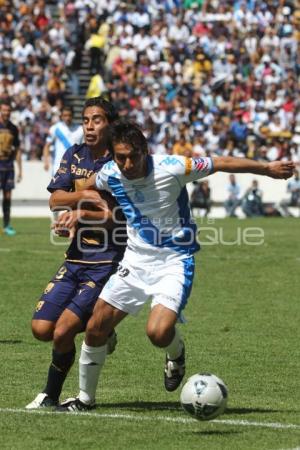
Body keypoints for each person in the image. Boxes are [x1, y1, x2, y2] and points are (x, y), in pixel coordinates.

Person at [57, 119, 295, 412]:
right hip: (135, 260)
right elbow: (87, 187)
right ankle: (84, 399)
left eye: (133, 155)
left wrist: (267, 169)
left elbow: (221, 162)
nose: (128, 163)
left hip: (174, 261)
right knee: (96, 327)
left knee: (157, 333)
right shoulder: (109, 172)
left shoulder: (173, 166)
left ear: (145, 150)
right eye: (121, 157)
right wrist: (77, 210)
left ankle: (176, 354)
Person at [26, 97, 126, 409]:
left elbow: (115, 215)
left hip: (106, 259)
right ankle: (103, 328)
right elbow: (56, 199)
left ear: (110, 124)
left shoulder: (120, 161)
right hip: (74, 257)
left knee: (63, 332)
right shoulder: (74, 154)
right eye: (85, 120)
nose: (89, 126)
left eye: (97, 120)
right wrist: (82, 197)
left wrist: (77, 213)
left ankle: (49, 396)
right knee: (41, 329)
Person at [0, 100, 22, 236]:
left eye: (8, 110)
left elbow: (18, 149)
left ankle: (7, 225)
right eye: (4, 110)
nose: (6, 112)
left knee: (7, 197)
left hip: (8, 166)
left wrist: (20, 169)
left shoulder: (14, 128)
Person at [43, 106, 83, 176]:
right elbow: (47, 146)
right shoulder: (55, 128)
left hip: (75, 168)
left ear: (73, 115)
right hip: (58, 168)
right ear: (61, 116)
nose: (67, 118)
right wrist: (46, 161)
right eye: (65, 115)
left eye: (69, 115)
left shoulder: (80, 129)